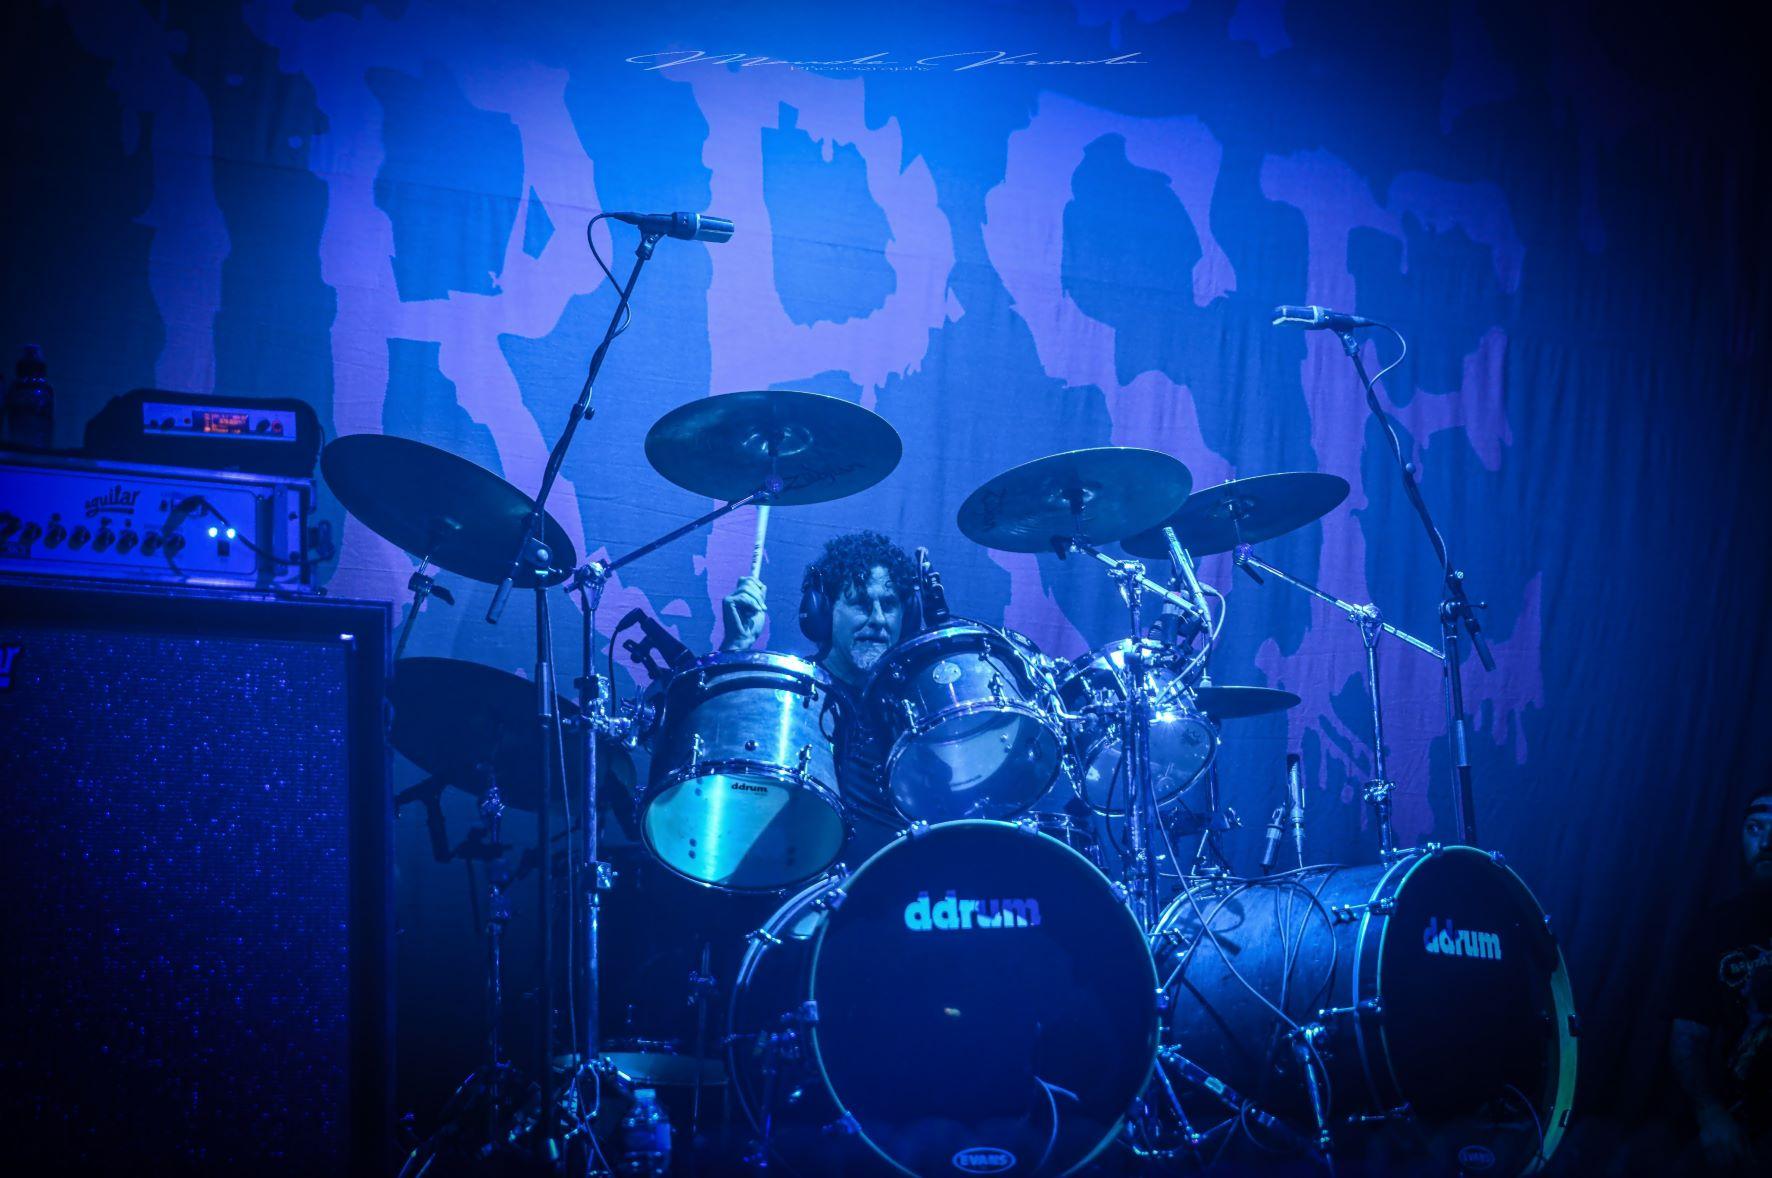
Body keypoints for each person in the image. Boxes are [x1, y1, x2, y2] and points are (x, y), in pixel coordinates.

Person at [720, 530, 920, 856]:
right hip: (801, 871)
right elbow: (725, 758)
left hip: (899, 875)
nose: (878, 619)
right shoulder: (793, 693)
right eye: (860, 604)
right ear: (823, 613)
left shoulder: (913, 706)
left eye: (889, 605)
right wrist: (736, 648)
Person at [1670, 790, 1772, 1172]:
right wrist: (1710, 1112)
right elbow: (1687, 1033)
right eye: (1755, 828)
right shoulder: (1717, 927)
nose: (1767, 843)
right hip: (1739, 1121)